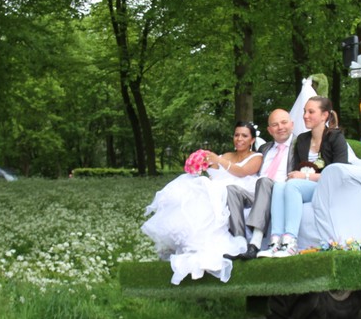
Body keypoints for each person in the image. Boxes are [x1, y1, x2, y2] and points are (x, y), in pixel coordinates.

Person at [142, 122, 262, 284]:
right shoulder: (227, 155)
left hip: (239, 193)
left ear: (252, 140)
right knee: (192, 192)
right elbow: (213, 172)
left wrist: (218, 160)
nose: (239, 139)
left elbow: (242, 172)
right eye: (236, 135)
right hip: (217, 189)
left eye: (244, 135)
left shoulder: (256, 157)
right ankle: (187, 246)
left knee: (211, 197)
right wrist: (200, 162)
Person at [259, 96, 349, 257]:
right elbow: (297, 169)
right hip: (307, 186)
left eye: (311, 112)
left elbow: (339, 173)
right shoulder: (302, 139)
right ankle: (275, 241)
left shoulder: (335, 138)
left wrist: (305, 176)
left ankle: (290, 242)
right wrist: (298, 176)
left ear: (324, 115)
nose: (305, 116)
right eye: (304, 111)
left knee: (293, 185)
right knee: (279, 186)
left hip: (327, 187)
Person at [225, 109, 295, 259]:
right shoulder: (264, 149)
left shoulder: (300, 145)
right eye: (275, 125)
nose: (280, 127)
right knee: (231, 190)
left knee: (264, 181)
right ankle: (240, 243)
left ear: (292, 125)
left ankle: (255, 243)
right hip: (259, 193)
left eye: (284, 122)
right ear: (269, 130)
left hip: (281, 191)